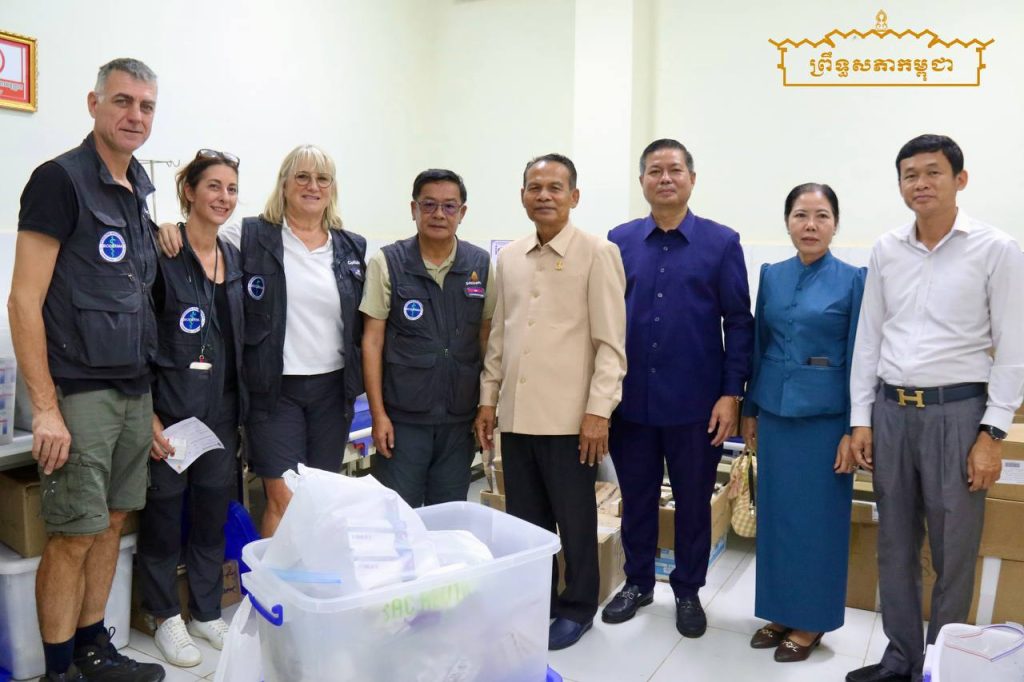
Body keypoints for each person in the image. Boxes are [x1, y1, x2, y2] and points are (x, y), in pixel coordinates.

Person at [8, 58, 166, 682]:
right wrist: (45, 408)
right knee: (73, 534)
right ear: (94, 104)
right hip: (78, 393)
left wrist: (148, 404)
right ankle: (58, 671)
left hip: (132, 390)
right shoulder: (60, 180)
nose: (134, 115)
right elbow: (23, 300)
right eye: (122, 101)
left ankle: (93, 651)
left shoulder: (139, 191)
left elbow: (133, 299)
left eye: (146, 106)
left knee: (114, 523)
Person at [846, 135, 1024, 682]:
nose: (920, 183)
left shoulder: (996, 249)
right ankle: (901, 658)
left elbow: (1013, 349)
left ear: (959, 179)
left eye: (933, 172)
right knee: (895, 544)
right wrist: (860, 419)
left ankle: (942, 664)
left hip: (959, 414)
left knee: (954, 549)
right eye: (910, 175)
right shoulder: (887, 249)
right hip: (892, 412)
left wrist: (992, 433)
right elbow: (869, 338)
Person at [156, 145, 366, 537]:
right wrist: (168, 228)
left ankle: (313, 575)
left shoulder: (351, 247)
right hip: (274, 392)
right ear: (284, 184)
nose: (312, 186)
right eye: (302, 177)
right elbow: (201, 237)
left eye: (322, 179)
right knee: (283, 499)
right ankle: (277, 578)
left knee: (321, 499)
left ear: (332, 188)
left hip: (332, 391)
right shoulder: (250, 235)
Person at [475, 153, 627, 651]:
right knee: (527, 521)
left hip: (570, 420)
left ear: (574, 196)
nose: (544, 195)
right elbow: (500, 336)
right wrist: (488, 400)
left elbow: (611, 345)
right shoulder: (510, 257)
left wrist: (598, 412)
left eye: (555, 187)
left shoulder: (597, 253)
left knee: (575, 519)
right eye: (534, 187)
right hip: (517, 416)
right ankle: (536, 601)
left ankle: (578, 607)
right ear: (522, 195)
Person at [601, 139, 753, 639]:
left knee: (692, 502)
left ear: (691, 178)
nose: (664, 178)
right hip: (631, 403)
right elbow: (603, 319)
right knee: (637, 498)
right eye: (654, 170)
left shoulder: (721, 242)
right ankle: (638, 582)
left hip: (697, 406)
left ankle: (688, 590)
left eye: (674, 170)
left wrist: (731, 395)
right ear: (642, 180)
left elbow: (739, 322)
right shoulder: (618, 241)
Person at [740, 183, 865, 662]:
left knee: (818, 523)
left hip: (826, 421)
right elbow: (759, 344)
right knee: (777, 519)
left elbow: (859, 357)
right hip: (774, 413)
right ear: (788, 222)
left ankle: (811, 620)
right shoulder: (771, 275)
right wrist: (750, 409)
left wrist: (854, 429)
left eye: (821, 216)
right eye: (800, 215)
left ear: (835, 224)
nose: (810, 225)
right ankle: (779, 611)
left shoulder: (853, 280)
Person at [138, 150, 247, 667]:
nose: (224, 197)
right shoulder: (163, 252)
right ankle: (164, 616)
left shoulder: (235, 258)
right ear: (188, 191)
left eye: (231, 188)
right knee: (163, 518)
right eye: (213, 186)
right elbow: (141, 338)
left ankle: (205, 611)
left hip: (221, 413)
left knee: (210, 515)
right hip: (173, 415)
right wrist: (149, 415)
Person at [360, 169, 495, 507]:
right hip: (403, 420)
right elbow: (372, 342)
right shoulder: (388, 262)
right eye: (429, 204)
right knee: (398, 516)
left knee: (448, 515)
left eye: (449, 206)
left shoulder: (480, 264)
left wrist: (487, 404)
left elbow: (487, 338)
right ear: (414, 209)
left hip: (459, 420)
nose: (439, 214)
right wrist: (378, 415)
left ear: (462, 212)